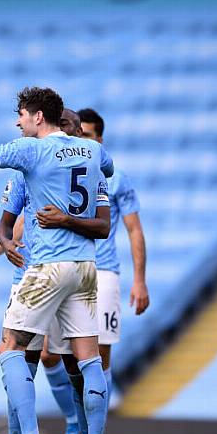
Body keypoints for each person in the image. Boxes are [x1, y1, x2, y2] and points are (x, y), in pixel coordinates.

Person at [0, 71, 113, 434]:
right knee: (89, 359)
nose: (18, 123)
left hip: (47, 267)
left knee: (9, 346)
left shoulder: (31, 152)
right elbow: (108, 167)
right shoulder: (90, 150)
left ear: (38, 118)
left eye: (22, 116)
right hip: (85, 268)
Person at [0, 109, 92, 434]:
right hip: (30, 275)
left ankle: (81, 430)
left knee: (71, 361)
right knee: (27, 358)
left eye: (76, 131)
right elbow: (15, 223)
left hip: (66, 270)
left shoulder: (81, 170)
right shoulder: (30, 168)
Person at [78, 108, 149, 409]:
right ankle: (79, 423)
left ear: (100, 139)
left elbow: (134, 230)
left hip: (105, 272)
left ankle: (97, 430)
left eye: (89, 136)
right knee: (68, 353)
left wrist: (140, 281)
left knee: (102, 351)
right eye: (79, 135)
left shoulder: (117, 179)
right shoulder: (66, 174)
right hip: (72, 267)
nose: (83, 142)